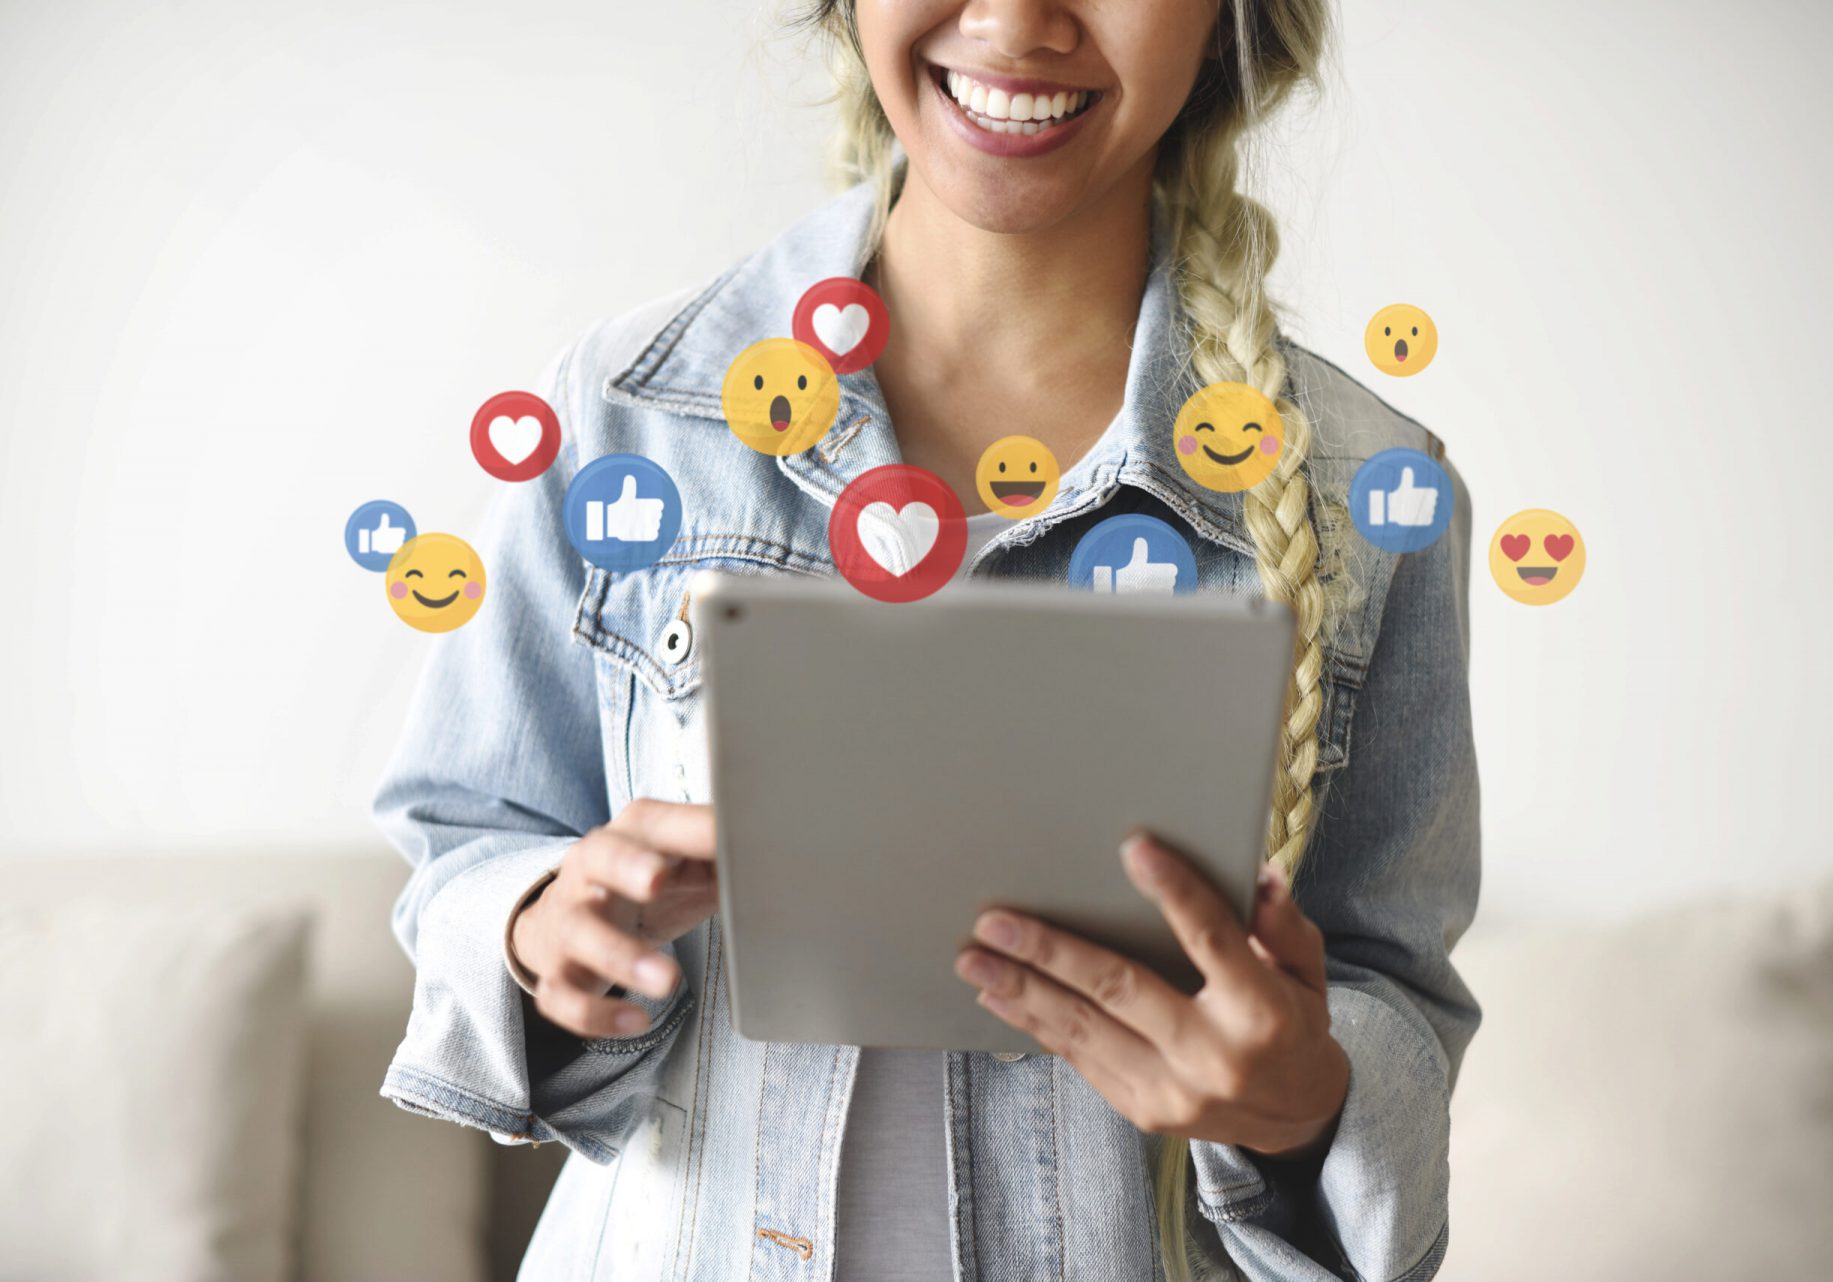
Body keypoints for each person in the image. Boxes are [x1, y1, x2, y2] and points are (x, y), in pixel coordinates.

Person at [374, 1, 1480, 1277]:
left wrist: (1299, 1106)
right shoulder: (622, 417)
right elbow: (463, 839)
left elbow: (1393, 997)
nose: (1015, 19)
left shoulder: (1370, 493)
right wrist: (537, 933)